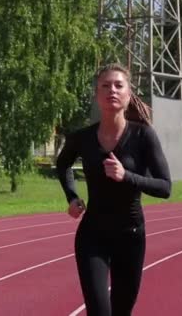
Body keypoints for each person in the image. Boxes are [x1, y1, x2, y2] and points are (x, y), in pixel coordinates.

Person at [56, 63, 172, 316]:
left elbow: (165, 187)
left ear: (129, 94)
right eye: (105, 86)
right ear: (97, 95)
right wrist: (72, 196)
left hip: (130, 236)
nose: (112, 90)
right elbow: (62, 164)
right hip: (92, 235)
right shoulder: (82, 138)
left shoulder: (143, 136)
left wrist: (126, 176)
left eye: (119, 85)